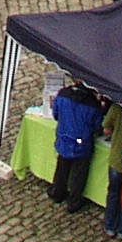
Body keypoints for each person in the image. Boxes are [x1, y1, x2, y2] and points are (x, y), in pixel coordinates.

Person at [46, 79, 104, 211]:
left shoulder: (62, 95)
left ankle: (57, 192)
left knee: (62, 169)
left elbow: (56, 114)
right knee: (79, 175)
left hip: (64, 139)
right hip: (82, 144)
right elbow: (97, 126)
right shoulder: (93, 104)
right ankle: (74, 202)